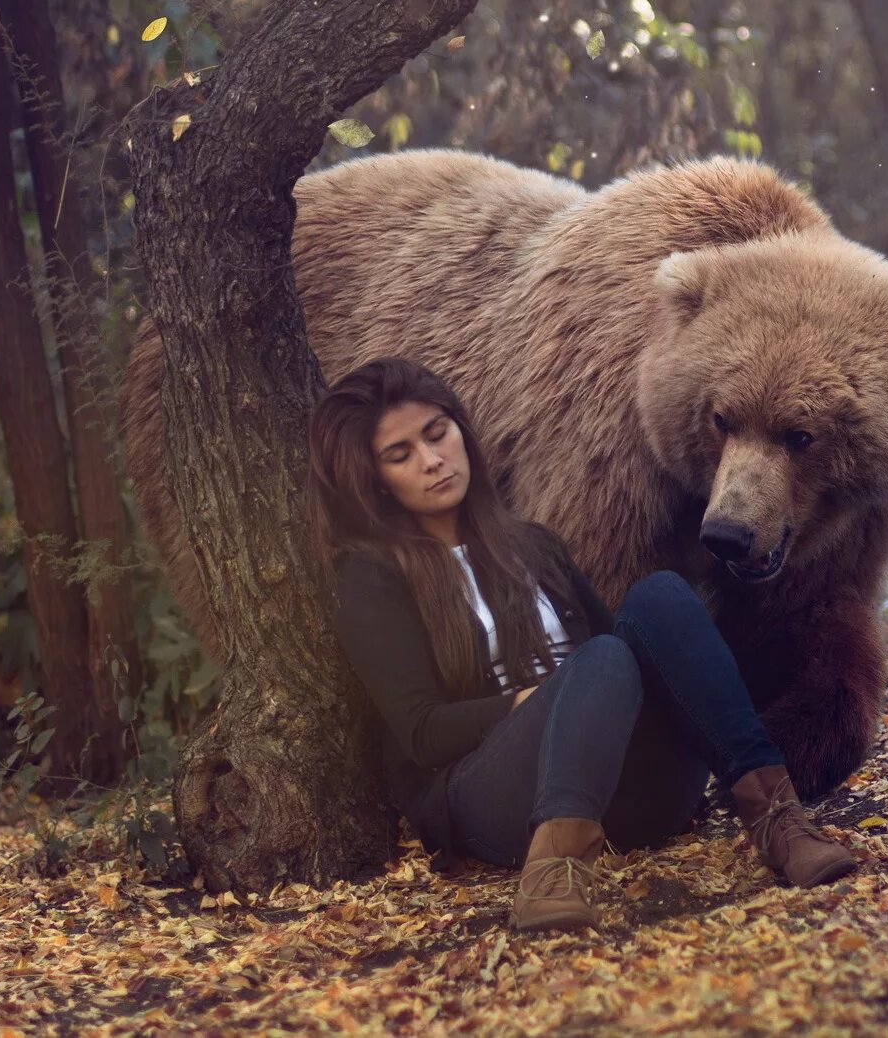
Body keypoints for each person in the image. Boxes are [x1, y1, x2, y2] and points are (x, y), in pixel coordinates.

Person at [308, 357, 859, 931]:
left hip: (639, 792)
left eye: (437, 433)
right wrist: (528, 701)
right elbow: (421, 734)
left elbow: (615, 653)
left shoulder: (534, 546)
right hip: (497, 799)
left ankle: (776, 817)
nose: (431, 460)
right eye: (400, 455)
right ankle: (554, 871)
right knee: (602, 657)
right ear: (373, 480)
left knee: (659, 599)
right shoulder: (370, 577)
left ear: (459, 430)